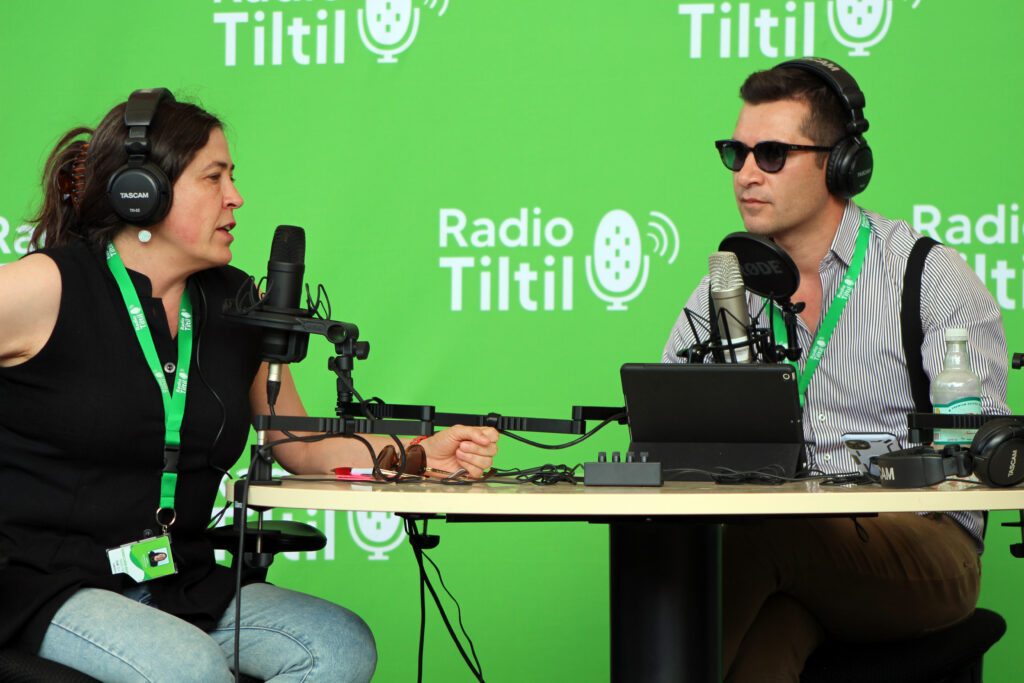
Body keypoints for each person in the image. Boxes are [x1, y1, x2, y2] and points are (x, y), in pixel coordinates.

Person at [0, 89, 499, 682]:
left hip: (173, 577)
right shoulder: (47, 288)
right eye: (214, 177)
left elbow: (300, 445)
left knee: (337, 645)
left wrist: (417, 452)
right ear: (142, 192)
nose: (235, 197)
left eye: (232, 177)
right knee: (189, 668)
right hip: (41, 584)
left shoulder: (234, 301)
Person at [661, 59, 1009, 681]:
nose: (746, 174)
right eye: (735, 154)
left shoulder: (926, 273)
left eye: (771, 154)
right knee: (768, 636)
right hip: (797, 555)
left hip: (927, 544)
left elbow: (986, 451)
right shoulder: (726, 287)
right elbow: (665, 426)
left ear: (841, 164)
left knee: (756, 537)